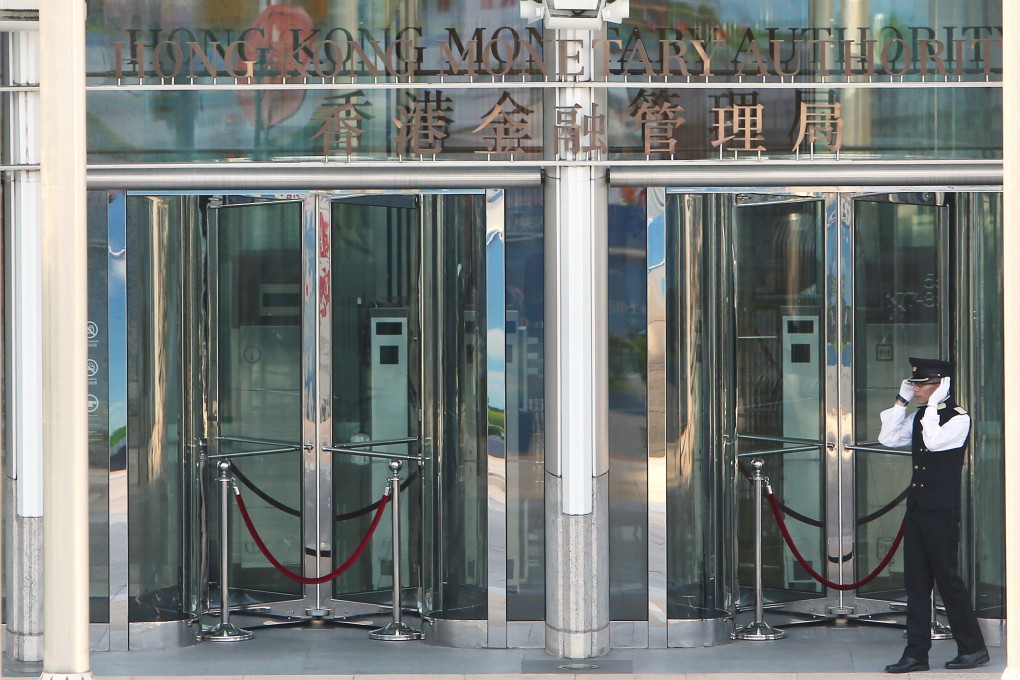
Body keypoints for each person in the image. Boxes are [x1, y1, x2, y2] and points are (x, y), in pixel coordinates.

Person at [878, 357, 989, 673]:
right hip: (918, 509)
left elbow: (935, 442)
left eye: (922, 384)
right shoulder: (919, 416)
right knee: (915, 583)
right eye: (914, 384)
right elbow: (887, 438)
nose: (917, 389)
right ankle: (916, 653)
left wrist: (930, 409)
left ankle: (973, 648)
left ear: (942, 385)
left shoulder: (958, 418)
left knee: (947, 580)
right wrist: (901, 403)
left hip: (941, 511)